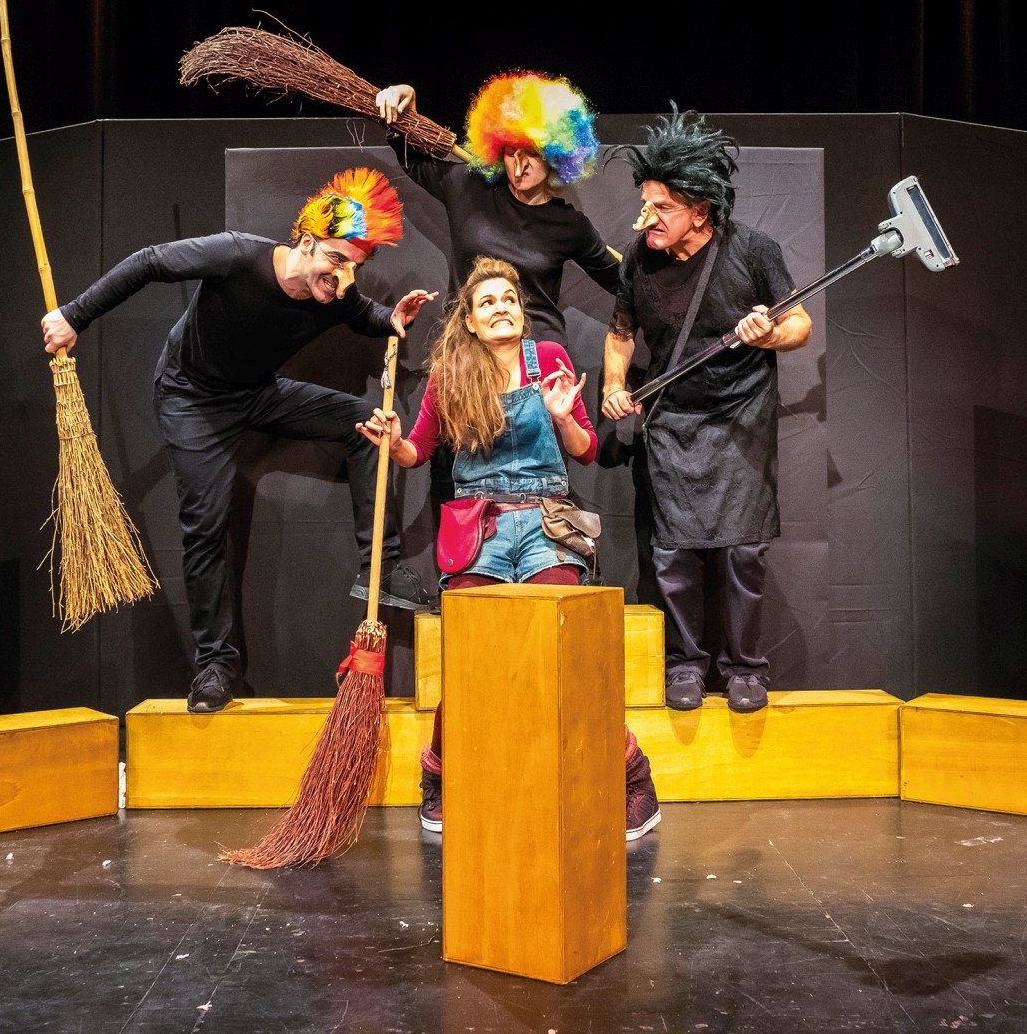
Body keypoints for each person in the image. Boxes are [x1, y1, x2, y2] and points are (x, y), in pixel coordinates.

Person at [41, 168, 438, 714]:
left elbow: (362, 313)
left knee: (366, 425)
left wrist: (391, 317)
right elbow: (150, 261)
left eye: (355, 268)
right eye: (336, 261)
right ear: (306, 242)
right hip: (192, 400)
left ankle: (382, 567)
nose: (344, 279)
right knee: (205, 529)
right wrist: (74, 316)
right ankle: (214, 666)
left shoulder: (334, 292)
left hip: (256, 393)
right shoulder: (238, 255)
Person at [357, 257, 661, 840]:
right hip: (482, 531)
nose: (501, 308)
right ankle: (441, 777)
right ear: (470, 321)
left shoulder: (549, 358)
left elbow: (585, 449)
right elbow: (417, 451)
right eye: (487, 302)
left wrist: (561, 417)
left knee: (570, 658)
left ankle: (632, 780)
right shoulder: (450, 373)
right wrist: (393, 443)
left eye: (509, 300)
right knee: (469, 665)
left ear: (522, 312)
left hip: (547, 524)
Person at [601, 111, 812, 715]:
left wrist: (768, 334)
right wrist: (613, 384)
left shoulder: (752, 250)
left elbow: (799, 323)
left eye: (661, 207)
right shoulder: (639, 259)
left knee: (743, 551)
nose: (646, 218)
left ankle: (745, 667)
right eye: (645, 203)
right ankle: (686, 664)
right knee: (673, 554)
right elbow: (620, 334)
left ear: (699, 211)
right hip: (672, 421)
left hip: (741, 418)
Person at [374, 73, 621, 344]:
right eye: (511, 151)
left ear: (556, 156)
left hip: (534, 349)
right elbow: (414, 162)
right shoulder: (468, 186)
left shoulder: (569, 226)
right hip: (467, 345)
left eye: (532, 152)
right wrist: (406, 110)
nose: (519, 165)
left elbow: (623, 281)